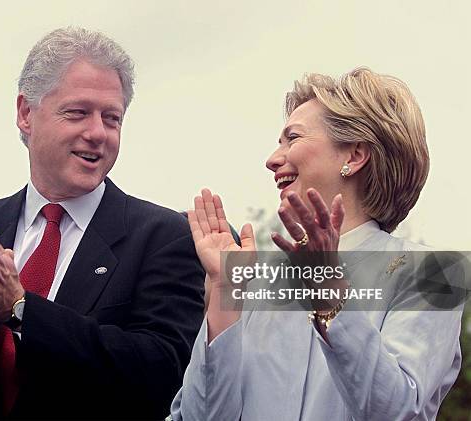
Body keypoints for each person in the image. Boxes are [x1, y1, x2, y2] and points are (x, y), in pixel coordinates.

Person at [0, 27, 205, 420]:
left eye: (111, 118)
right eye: (78, 112)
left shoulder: (163, 238)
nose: (97, 132)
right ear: (26, 113)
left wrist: (22, 309)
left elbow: (164, 376)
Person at [171, 68, 464, 420]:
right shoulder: (251, 281)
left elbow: (397, 412)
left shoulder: (433, 273)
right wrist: (223, 294)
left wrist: (330, 295)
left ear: (354, 156)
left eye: (292, 138)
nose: (272, 159)